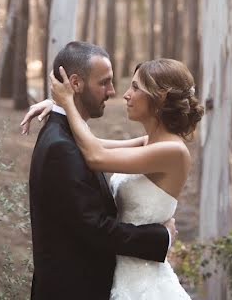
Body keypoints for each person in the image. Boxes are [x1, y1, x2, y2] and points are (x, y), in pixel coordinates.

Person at [22, 49, 203, 300]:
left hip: (144, 284)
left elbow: (96, 155)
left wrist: (66, 105)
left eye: (136, 87)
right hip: (118, 277)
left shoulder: (172, 151)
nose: (124, 94)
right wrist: (59, 107)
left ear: (159, 98)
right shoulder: (148, 143)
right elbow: (92, 145)